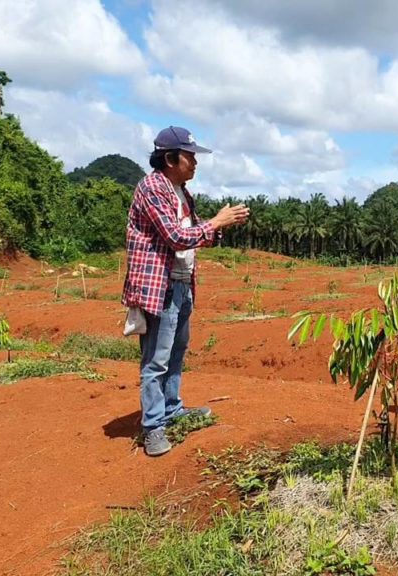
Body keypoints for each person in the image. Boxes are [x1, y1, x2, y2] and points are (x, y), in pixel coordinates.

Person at [122, 126, 249, 457]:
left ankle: (172, 409)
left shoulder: (180, 192)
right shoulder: (152, 189)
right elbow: (176, 237)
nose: (195, 163)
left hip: (181, 284)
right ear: (169, 158)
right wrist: (217, 222)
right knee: (156, 361)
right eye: (190, 157)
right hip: (159, 287)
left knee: (176, 353)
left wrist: (221, 227)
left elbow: (196, 234)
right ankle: (153, 427)